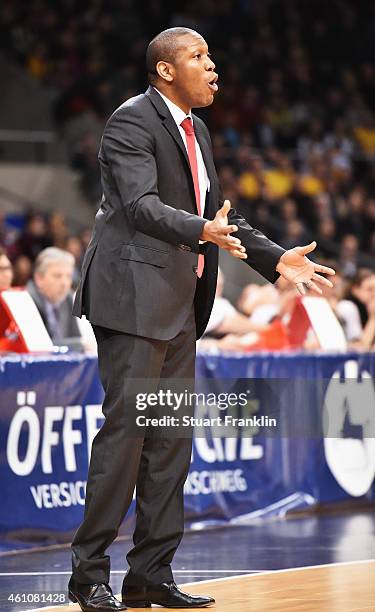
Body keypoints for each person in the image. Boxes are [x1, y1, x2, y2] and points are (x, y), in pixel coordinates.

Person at [69, 27, 335, 611]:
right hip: (132, 302)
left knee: (170, 444)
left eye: (211, 55)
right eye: (198, 57)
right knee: (126, 439)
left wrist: (272, 258)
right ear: (166, 71)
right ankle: (88, 576)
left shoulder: (197, 130)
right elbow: (141, 208)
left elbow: (214, 218)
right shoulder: (131, 121)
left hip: (178, 307)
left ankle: (149, 575)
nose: (213, 67)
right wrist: (200, 230)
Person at [26, 247, 82, 345]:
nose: (64, 283)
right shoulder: (26, 301)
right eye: (57, 276)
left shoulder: (68, 298)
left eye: (68, 276)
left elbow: (76, 340)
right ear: (39, 279)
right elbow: (37, 345)